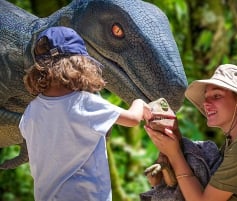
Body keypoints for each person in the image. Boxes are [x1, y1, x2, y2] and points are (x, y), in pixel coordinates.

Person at [19, 26, 152, 201]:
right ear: (79, 65)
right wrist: (140, 102)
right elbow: (133, 119)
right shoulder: (83, 103)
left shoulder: (31, 111)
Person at [144, 64, 237, 201]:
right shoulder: (232, 144)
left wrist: (175, 154)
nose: (206, 104)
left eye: (216, 96)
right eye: (206, 98)